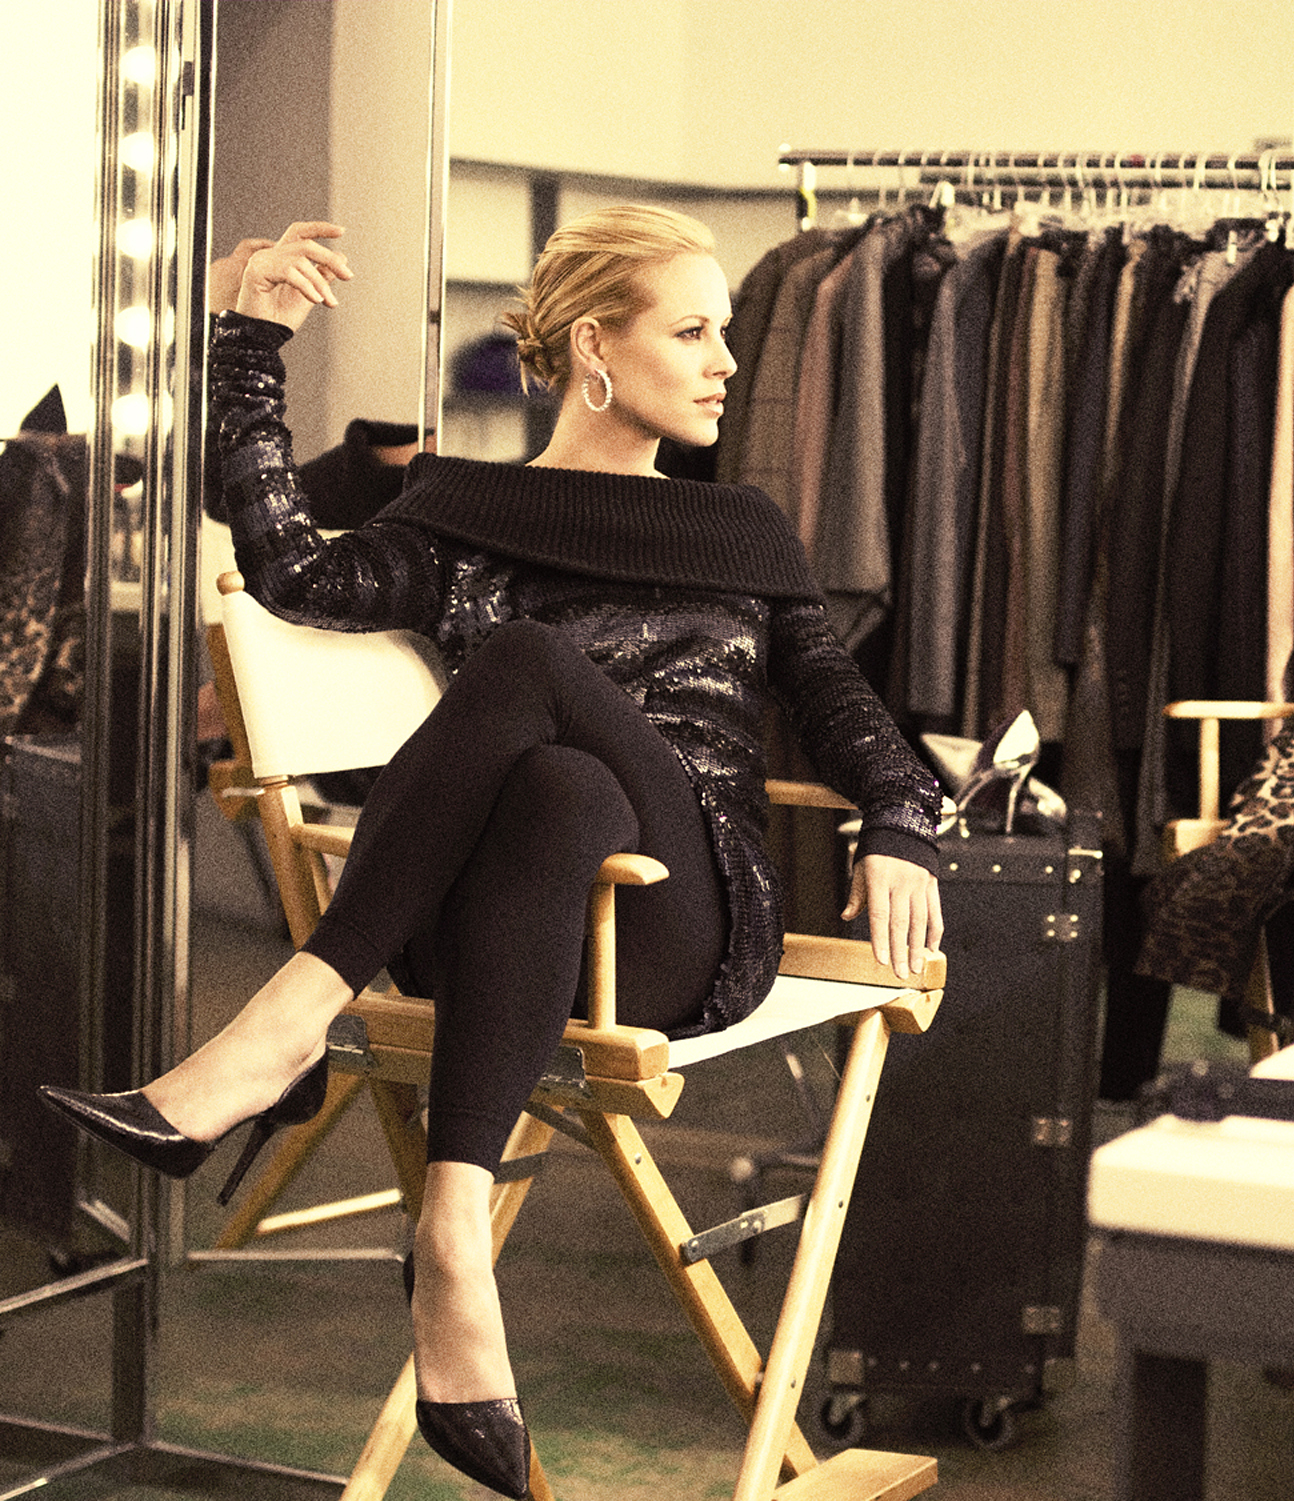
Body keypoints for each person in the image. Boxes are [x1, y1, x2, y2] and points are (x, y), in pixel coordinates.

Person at [43, 209, 944, 1499]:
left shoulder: (743, 531)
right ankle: (454, 1234)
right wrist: (249, 344)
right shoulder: (465, 512)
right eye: (693, 332)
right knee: (561, 786)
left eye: (725, 334)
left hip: (674, 927)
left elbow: (850, 717)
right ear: (595, 346)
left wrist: (900, 825)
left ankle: (286, 1027)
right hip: (497, 930)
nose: (727, 364)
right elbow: (288, 568)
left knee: (531, 671)